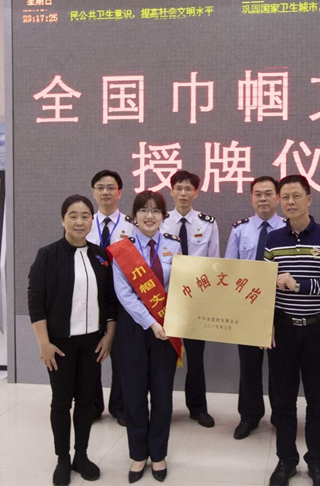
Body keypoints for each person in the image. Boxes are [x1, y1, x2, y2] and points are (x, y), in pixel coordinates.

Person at [27, 195, 118, 486]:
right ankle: (63, 458)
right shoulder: (48, 255)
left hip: (92, 343)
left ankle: (81, 455)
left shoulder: (101, 256)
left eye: (85, 216)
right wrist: (43, 343)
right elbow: (36, 302)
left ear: (92, 220)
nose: (79, 222)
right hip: (60, 344)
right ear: (63, 219)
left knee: (86, 402)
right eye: (73, 216)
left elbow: (110, 300)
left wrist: (109, 337)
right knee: (61, 402)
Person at [265, 174, 320, 486]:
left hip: (318, 330)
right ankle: (286, 460)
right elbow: (264, 287)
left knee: (318, 399)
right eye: (285, 197)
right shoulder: (273, 239)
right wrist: (266, 324)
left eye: (296, 196)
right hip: (283, 330)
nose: (290, 202)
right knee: (283, 401)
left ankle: (316, 460)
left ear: (309, 199)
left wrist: (299, 285)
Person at [108, 191, 183, 483]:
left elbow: (181, 284)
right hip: (133, 329)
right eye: (143, 210)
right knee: (134, 395)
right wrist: (151, 322)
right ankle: (139, 454)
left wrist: (165, 319)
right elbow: (124, 293)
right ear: (135, 215)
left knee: (162, 396)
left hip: (168, 326)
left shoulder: (174, 245)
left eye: (156, 211)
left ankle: (159, 454)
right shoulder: (122, 249)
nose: (149, 216)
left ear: (163, 216)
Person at [224, 175, 285, 440]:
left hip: (281, 307)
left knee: (280, 367)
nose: (263, 199)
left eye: (268, 193)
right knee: (249, 366)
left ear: (278, 198)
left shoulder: (288, 229)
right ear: (251, 198)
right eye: (257, 194)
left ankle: (281, 415)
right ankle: (249, 416)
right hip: (248, 307)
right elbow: (230, 268)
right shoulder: (240, 230)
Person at [160, 170, 219, 428]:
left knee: (196, 357)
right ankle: (162, 407)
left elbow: (214, 262)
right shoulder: (160, 221)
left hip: (197, 298)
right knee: (164, 357)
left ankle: (198, 408)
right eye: (179, 188)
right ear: (171, 191)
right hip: (165, 298)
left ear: (196, 192)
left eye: (188, 189)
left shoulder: (207, 223)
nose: (183, 193)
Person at [87, 169, 136, 426]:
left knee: (122, 354)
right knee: (90, 352)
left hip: (121, 298)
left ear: (119, 192)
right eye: (100, 187)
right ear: (93, 192)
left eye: (110, 187)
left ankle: (119, 405)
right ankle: (93, 405)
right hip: (90, 297)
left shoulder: (132, 225)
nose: (105, 192)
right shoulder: (85, 222)